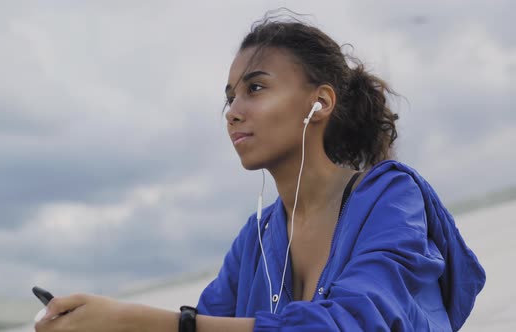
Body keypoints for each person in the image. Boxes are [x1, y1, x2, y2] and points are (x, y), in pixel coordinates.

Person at [35, 12, 485, 332]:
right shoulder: (256, 239)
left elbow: (353, 323)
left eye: (255, 88)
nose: (233, 111)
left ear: (320, 102)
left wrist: (142, 320)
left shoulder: (389, 197)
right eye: (230, 96)